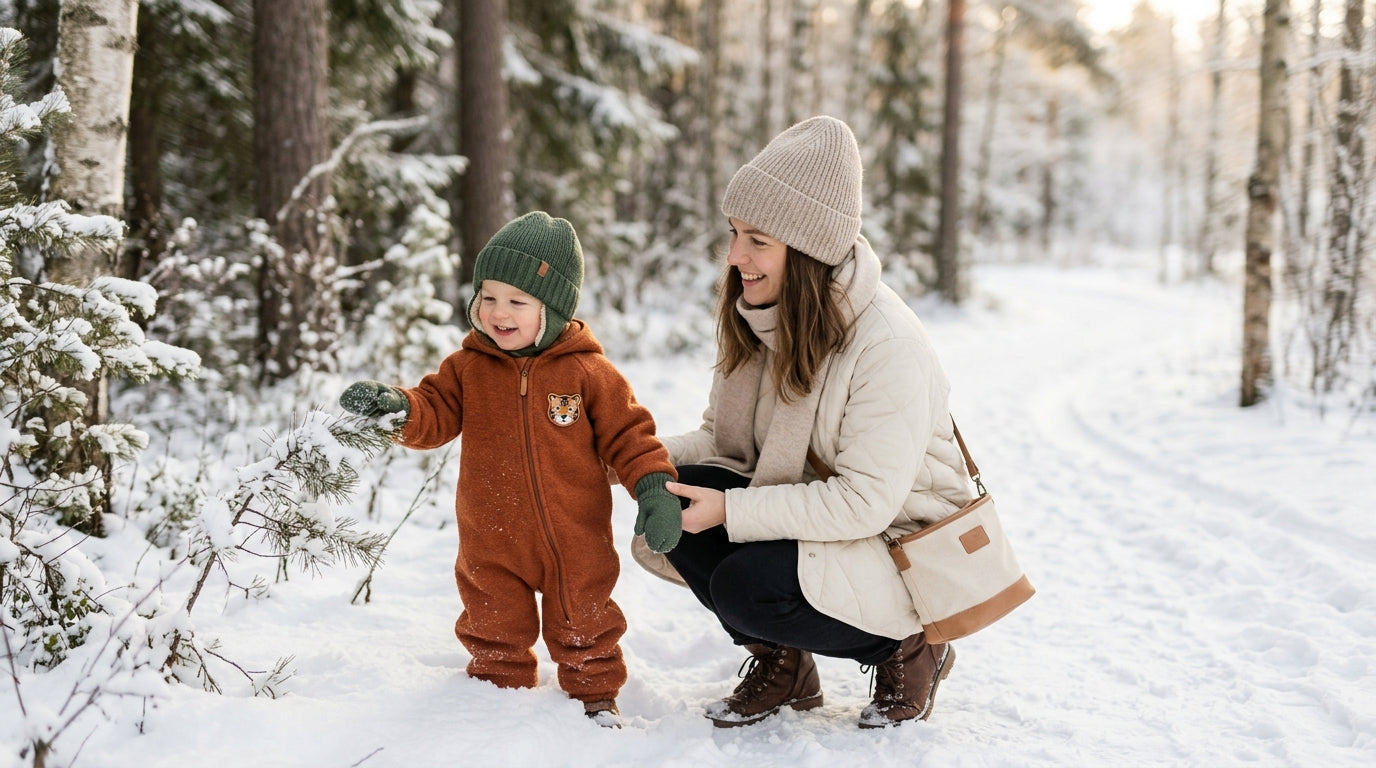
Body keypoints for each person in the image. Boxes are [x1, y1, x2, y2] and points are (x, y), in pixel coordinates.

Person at [634, 116, 976, 729]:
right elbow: (722, 443)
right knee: (672, 485)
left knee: (747, 582)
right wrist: (632, 453)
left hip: (898, 546)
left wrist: (731, 513)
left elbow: (864, 503)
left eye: (757, 240)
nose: (735, 256)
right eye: (735, 233)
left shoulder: (887, 344)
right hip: (829, 519)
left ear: (809, 250)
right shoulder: (761, 317)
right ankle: (784, 664)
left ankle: (912, 648)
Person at [340, 211, 683, 728]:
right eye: (489, 297)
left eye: (518, 301)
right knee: (492, 618)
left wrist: (655, 490)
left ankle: (594, 693)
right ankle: (497, 696)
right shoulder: (468, 368)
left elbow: (632, 438)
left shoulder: (590, 373)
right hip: (490, 535)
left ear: (555, 308)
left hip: (573, 535)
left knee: (584, 615)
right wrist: (400, 408)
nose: (499, 312)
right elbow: (434, 411)